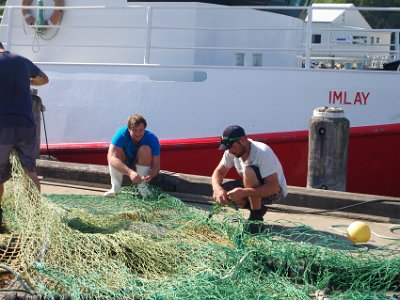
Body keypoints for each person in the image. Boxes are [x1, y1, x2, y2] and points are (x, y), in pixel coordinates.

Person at [0, 41, 49, 228]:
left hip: (2, 125)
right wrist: (25, 81)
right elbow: (44, 79)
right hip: (26, 125)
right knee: (29, 170)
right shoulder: (21, 60)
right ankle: (37, 216)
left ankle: (0, 219)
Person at [211, 125, 288, 233]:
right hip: (252, 187)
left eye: (232, 147)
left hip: (275, 192)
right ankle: (259, 209)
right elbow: (219, 172)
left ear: (242, 140)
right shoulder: (230, 151)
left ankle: (256, 218)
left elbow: (273, 188)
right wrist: (217, 189)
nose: (230, 151)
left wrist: (243, 193)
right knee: (221, 195)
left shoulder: (262, 152)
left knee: (248, 172)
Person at [104, 114, 161, 197]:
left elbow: (156, 166)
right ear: (129, 129)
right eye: (134, 130)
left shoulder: (152, 139)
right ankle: (115, 188)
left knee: (145, 149)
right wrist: (129, 172)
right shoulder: (121, 134)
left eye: (141, 130)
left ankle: (142, 186)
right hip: (125, 165)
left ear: (145, 129)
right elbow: (111, 158)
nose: (138, 134)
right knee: (116, 154)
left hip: (141, 168)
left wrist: (150, 175)